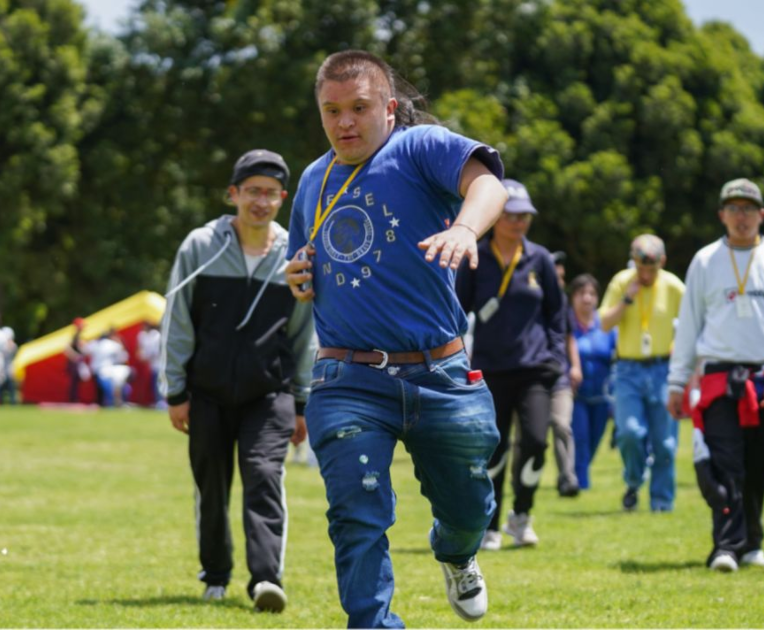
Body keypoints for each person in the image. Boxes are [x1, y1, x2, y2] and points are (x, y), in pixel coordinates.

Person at [284, 50, 506, 627]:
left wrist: (463, 226)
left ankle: (457, 552)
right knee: (356, 514)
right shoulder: (313, 179)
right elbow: (301, 267)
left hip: (440, 374)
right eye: (331, 111)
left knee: (468, 505)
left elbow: (488, 188)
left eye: (359, 108)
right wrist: (297, 277)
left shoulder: (418, 146)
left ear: (387, 107)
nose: (345, 122)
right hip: (348, 378)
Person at [161, 148, 316, 613]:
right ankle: (215, 573)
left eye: (270, 193)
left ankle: (266, 580)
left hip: (270, 394)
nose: (260, 202)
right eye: (252, 191)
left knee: (265, 476)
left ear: (282, 198)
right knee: (211, 483)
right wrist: (176, 391)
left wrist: (303, 402)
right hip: (205, 392)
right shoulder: (199, 246)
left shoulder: (296, 255)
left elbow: (305, 332)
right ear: (233, 194)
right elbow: (177, 322)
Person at [667, 178, 764, 571]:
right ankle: (726, 546)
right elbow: (689, 327)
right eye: (734, 208)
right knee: (725, 461)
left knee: (760, 464)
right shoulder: (705, 260)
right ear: (721, 215)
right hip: (717, 378)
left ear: (762, 214)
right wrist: (678, 382)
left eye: (749, 208)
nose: (741, 216)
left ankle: (752, 541)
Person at [456, 178, 564, 550]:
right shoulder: (474, 257)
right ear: (496, 215)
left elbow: (557, 314)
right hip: (489, 371)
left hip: (535, 369)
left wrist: (556, 357)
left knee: (535, 442)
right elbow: (458, 310)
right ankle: (490, 523)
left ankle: (521, 516)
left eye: (525, 216)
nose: (518, 223)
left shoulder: (541, 260)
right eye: (511, 215)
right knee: (493, 449)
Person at [599, 234, 685, 512]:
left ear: (663, 262)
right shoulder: (622, 281)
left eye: (652, 268)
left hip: (663, 369)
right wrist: (626, 299)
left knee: (665, 443)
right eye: (640, 267)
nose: (645, 274)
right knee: (630, 433)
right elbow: (604, 324)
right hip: (627, 370)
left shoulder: (673, 285)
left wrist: (677, 349)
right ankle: (634, 479)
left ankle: (662, 502)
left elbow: (692, 324)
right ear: (633, 262)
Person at [568, 273, 617, 491]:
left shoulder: (606, 325)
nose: (587, 298)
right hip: (576, 395)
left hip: (602, 396)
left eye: (591, 293)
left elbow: (618, 355)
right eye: (581, 294)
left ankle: (576, 473)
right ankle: (581, 484)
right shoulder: (566, 326)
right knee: (581, 439)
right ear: (573, 297)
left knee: (595, 440)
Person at [546, 250, 583, 497]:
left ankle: (567, 478)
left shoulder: (563, 304)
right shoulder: (530, 301)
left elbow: (570, 337)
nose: (560, 282)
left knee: (562, 425)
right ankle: (522, 480)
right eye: (555, 277)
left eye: (562, 277)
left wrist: (576, 366)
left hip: (560, 376)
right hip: (530, 376)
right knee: (526, 438)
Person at [91, 328, 129, 408]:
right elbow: (122, 351)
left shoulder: (95, 343)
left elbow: (84, 350)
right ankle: (112, 403)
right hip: (108, 369)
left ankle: (103, 404)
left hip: (97, 369)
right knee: (111, 389)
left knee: (100, 391)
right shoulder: (111, 344)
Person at [137, 322, 164, 408]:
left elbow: (154, 352)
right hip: (154, 365)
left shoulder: (156, 336)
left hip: (158, 365)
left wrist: (145, 356)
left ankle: (160, 401)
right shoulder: (147, 336)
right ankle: (159, 401)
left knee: (158, 384)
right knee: (155, 384)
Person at [64, 318, 90, 403]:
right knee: (74, 382)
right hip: (75, 363)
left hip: (76, 362)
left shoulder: (77, 336)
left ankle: (74, 399)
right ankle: (73, 400)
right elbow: (66, 348)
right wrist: (75, 356)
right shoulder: (75, 336)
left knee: (75, 382)